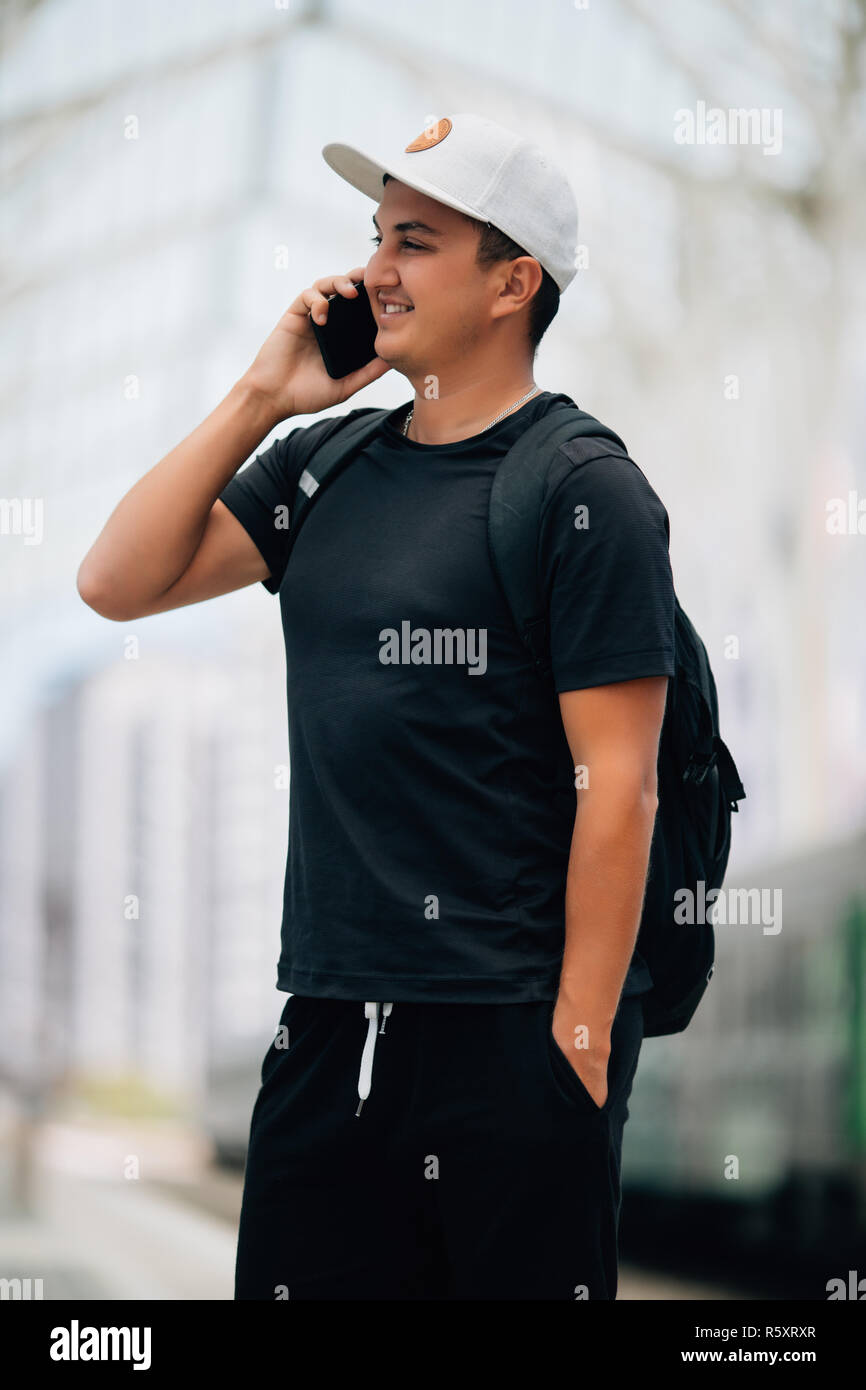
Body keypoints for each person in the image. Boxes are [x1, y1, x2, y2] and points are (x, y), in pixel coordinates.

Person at [77, 112, 675, 1300]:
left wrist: (578, 1039)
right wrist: (263, 394)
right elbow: (114, 580)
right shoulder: (322, 467)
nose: (371, 273)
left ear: (512, 282)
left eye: (414, 242)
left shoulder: (582, 489)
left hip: (506, 1041)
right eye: (374, 238)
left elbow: (620, 780)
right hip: (327, 1028)